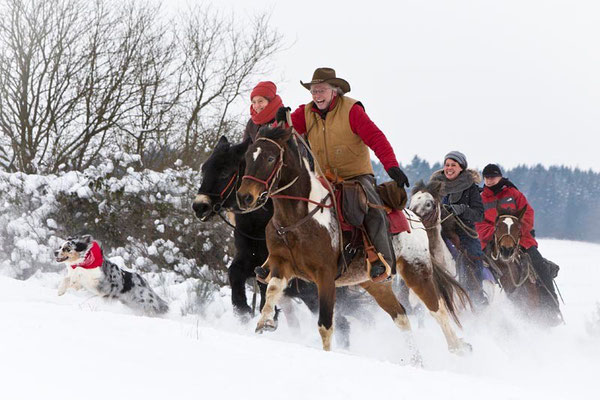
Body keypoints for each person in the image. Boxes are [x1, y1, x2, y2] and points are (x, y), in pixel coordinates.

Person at [283, 67, 409, 281]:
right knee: (294, 204)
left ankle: (383, 261)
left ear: (335, 91)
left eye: (321, 90)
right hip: (323, 178)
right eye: (313, 91)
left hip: (356, 176)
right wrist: (278, 115)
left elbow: (376, 138)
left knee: (371, 209)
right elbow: (281, 129)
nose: (317, 96)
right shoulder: (305, 113)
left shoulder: (352, 110)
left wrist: (391, 166)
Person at [475, 163, 560, 316]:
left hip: (520, 239)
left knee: (539, 265)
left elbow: (528, 213)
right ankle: (476, 303)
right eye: (486, 177)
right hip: (491, 241)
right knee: (474, 265)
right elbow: (479, 223)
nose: (489, 180)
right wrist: (494, 234)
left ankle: (550, 307)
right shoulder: (481, 199)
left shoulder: (513, 194)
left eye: (493, 177)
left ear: (500, 177)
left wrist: (516, 233)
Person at [430, 151, 493, 305]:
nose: (449, 168)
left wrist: (463, 209)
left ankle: (476, 295)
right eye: (447, 165)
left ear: (461, 168)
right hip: (436, 229)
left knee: (473, 256)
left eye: (453, 165)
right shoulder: (434, 186)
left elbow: (479, 214)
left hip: (463, 231)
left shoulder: (470, 187)